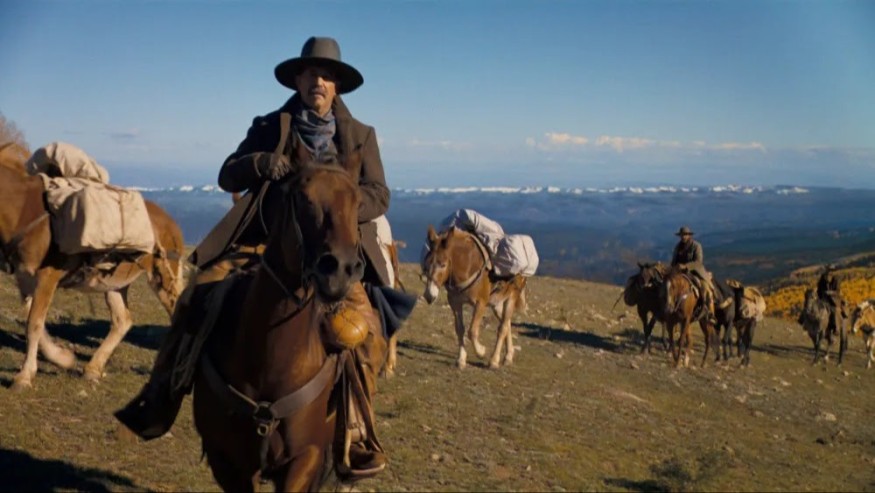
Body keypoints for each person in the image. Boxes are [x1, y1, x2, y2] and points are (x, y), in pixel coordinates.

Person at [115, 36, 415, 477]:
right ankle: (162, 393)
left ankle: (354, 432)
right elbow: (227, 174)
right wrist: (259, 163)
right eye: (311, 74)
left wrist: (343, 205)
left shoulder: (360, 136)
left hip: (332, 253)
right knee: (197, 297)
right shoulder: (270, 125)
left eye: (326, 75)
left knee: (364, 332)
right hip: (263, 244)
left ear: (337, 85)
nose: (318, 82)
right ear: (298, 80)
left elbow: (380, 194)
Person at [670, 226, 718, 318]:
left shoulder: (696, 246)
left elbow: (698, 262)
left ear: (689, 235)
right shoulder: (677, 247)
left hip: (695, 272)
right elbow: (673, 262)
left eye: (685, 235)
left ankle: (709, 312)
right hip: (680, 273)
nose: (683, 236)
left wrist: (686, 266)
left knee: (705, 288)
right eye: (682, 235)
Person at [816, 264, 845, 335]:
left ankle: (837, 328)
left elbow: (837, 290)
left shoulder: (836, 279)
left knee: (835, 311)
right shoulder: (823, 278)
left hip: (834, 300)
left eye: (831, 270)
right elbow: (819, 289)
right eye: (828, 270)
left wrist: (830, 292)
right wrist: (820, 295)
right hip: (823, 299)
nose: (830, 272)